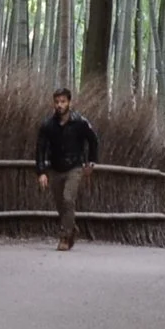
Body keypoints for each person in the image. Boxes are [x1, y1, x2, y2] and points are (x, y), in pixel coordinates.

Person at [34, 86, 99, 249]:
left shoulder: (80, 123)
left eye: (63, 101)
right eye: (56, 102)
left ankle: (64, 236)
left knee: (68, 199)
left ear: (70, 102)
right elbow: (40, 148)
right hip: (55, 167)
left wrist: (91, 162)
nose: (59, 105)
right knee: (60, 204)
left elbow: (93, 140)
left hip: (75, 166)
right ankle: (72, 229)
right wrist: (41, 171)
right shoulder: (48, 125)